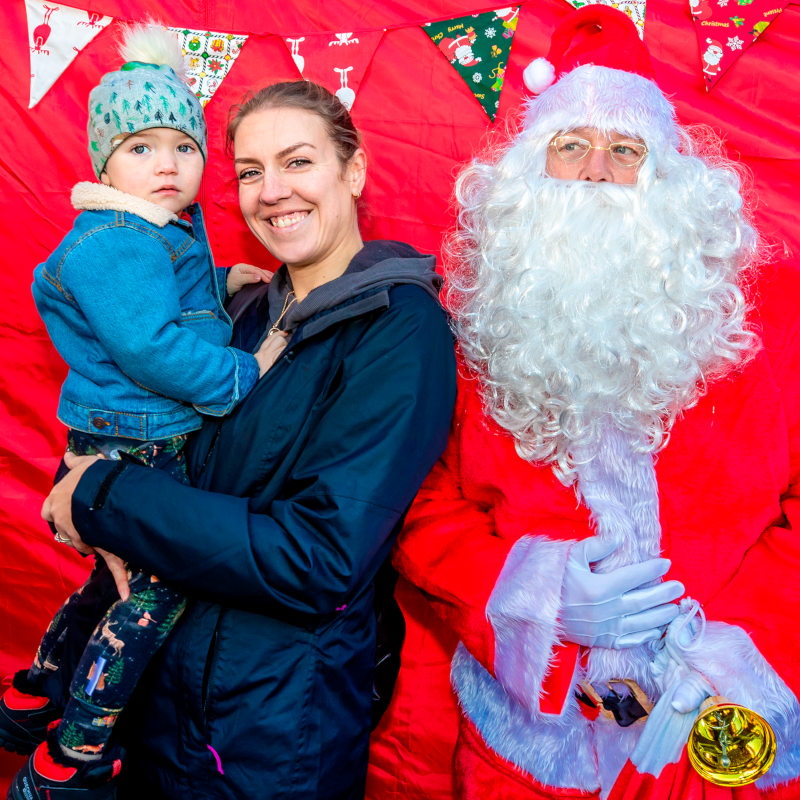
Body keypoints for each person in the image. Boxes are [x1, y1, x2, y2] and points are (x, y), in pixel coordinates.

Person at [367, 6, 800, 799]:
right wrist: (536, 596)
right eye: (571, 145)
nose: (596, 169)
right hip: (527, 748)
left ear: (666, 173)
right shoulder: (469, 318)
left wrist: (738, 649)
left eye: (624, 149)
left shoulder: (771, 308)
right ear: (533, 169)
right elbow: (416, 504)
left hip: (717, 736)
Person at [32, 78, 456, 800]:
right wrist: (85, 478)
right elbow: (152, 433)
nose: (273, 192)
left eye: (297, 162)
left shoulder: (400, 328)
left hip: (268, 738)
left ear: (352, 170)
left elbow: (318, 557)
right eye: (252, 172)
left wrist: (103, 495)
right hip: (164, 705)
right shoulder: (244, 316)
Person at [1, 23, 290, 800]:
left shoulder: (153, 227)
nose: (166, 164)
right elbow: (154, 348)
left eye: (183, 147)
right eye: (140, 147)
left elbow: (172, 292)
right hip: (140, 442)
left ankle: (37, 687)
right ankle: (76, 749)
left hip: (134, 435)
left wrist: (225, 278)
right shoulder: (116, 242)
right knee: (156, 596)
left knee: (107, 582)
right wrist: (245, 367)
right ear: (104, 162)